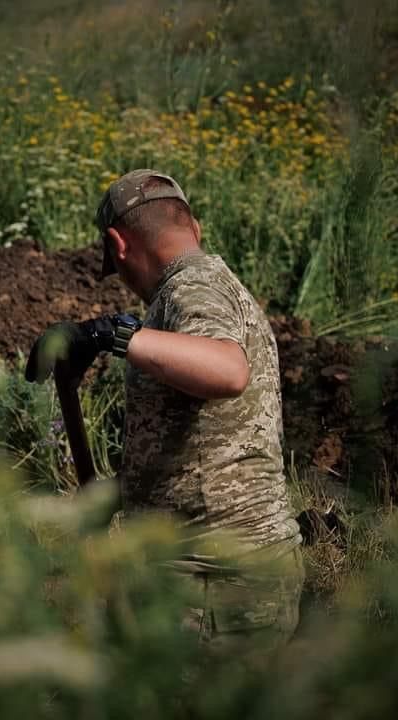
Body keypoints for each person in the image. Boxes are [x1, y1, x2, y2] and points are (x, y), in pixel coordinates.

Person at [24, 169, 303, 660]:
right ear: (192, 226)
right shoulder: (212, 285)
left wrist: (111, 334)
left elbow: (227, 371)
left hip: (215, 579)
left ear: (118, 244)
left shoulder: (189, 287)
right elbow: (204, 444)